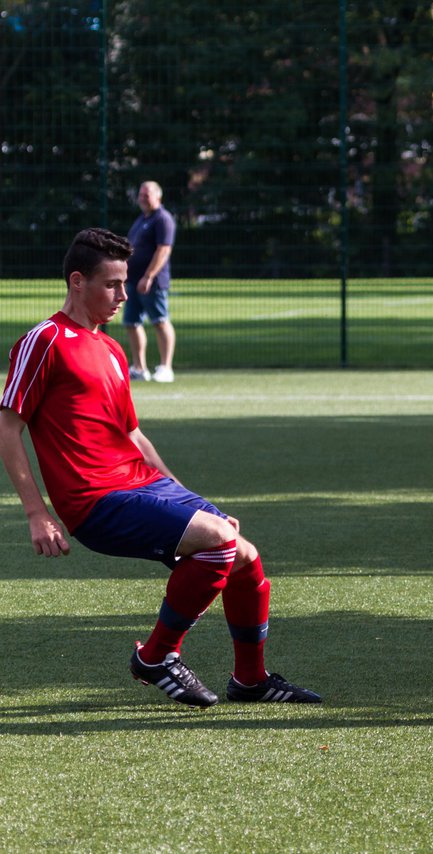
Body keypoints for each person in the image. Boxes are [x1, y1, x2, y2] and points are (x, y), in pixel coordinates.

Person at [0, 227, 320, 707]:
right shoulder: (44, 340)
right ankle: (155, 657)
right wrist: (35, 513)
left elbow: (132, 435)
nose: (122, 295)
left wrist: (187, 496)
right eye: (111, 284)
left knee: (244, 555)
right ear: (76, 281)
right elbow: (7, 427)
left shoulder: (110, 348)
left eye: (124, 283)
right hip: (95, 501)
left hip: (142, 485)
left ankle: (250, 680)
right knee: (218, 541)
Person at [123, 180, 177, 383]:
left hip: (152, 282)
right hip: (133, 281)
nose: (142, 198)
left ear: (158, 196)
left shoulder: (162, 219)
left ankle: (166, 367)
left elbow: (163, 250)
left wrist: (149, 276)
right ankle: (139, 368)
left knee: (160, 320)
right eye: (141, 194)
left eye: (147, 194)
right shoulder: (141, 219)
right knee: (131, 322)